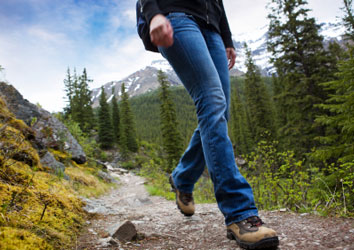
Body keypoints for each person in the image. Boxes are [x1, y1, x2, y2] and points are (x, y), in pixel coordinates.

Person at [140, 0, 279, 249]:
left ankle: (183, 177)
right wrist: (153, 15)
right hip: (175, 16)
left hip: (211, 27)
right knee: (212, 100)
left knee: (218, 111)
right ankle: (240, 213)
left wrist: (227, 39)